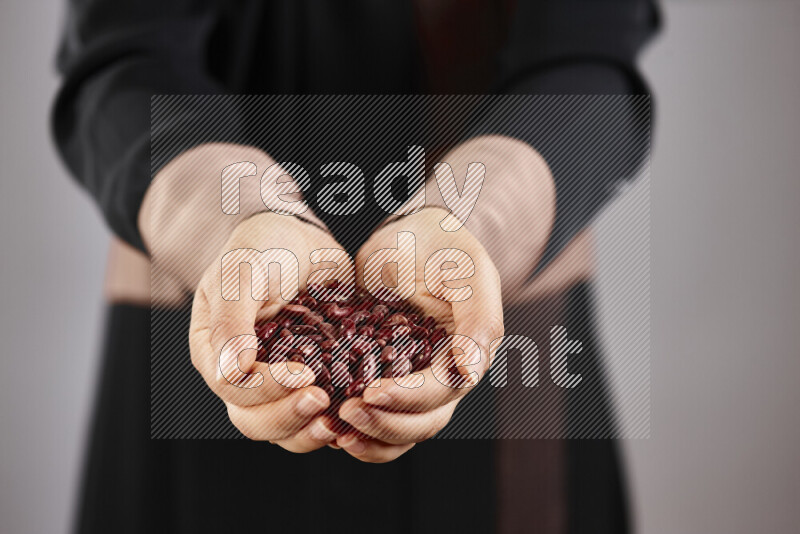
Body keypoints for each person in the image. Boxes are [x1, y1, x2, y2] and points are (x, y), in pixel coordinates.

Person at [52, 1, 659, 532]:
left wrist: (473, 219)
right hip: (215, 308)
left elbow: (589, 62)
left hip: (492, 312)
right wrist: (236, 219)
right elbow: (123, 60)